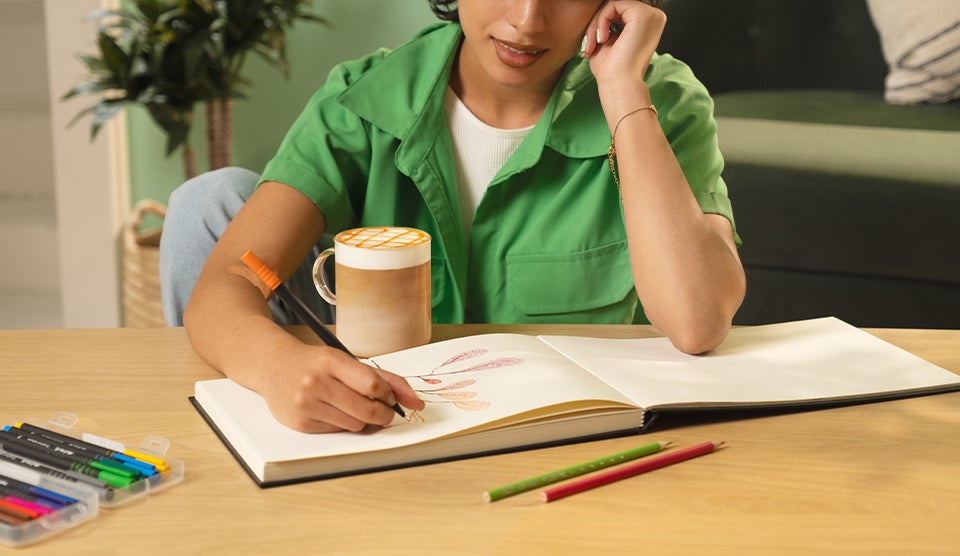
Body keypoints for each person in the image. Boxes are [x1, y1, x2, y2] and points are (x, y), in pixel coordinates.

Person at [160, 0, 746, 434]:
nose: (527, 20)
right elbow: (229, 282)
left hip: (561, 440)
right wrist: (276, 365)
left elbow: (696, 321)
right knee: (207, 202)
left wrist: (622, 91)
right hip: (380, 425)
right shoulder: (362, 97)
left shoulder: (659, 98)